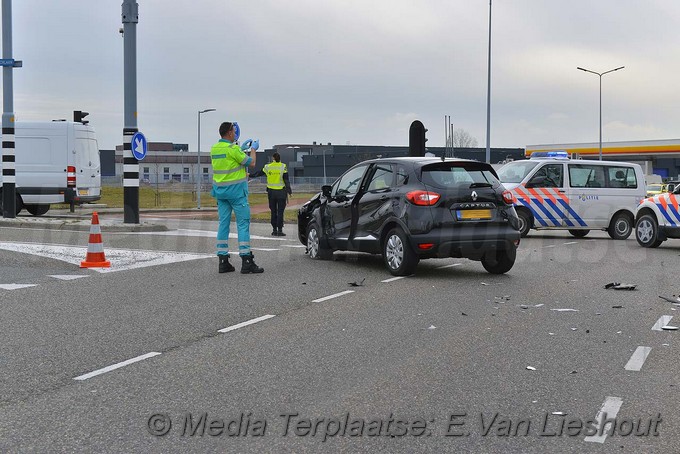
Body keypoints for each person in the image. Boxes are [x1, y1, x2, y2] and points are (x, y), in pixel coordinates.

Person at [210, 121, 264, 274]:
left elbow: (228, 163)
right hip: (236, 193)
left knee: (223, 224)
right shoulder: (232, 149)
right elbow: (251, 162)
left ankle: (223, 261)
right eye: (233, 131)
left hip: (220, 193)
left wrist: (240, 149)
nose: (235, 133)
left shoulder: (214, 149)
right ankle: (247, 260)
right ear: (229, 132)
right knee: (243, 224)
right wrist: (253, 149)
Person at [251, 152, 292, 236]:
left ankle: (274, 230)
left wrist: (250, 175)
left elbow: (259, 173)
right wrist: (289, 191)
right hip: (281, 192)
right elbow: (286, 180)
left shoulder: (267, 167)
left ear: (273, 158)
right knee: (280, 211)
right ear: (279, 158)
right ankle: (280, 230)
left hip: (271, 193)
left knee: (273, 211)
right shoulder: (283, 166)